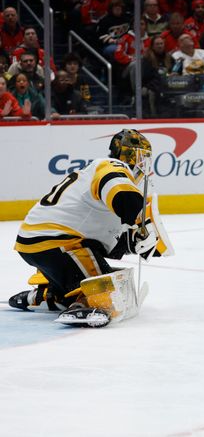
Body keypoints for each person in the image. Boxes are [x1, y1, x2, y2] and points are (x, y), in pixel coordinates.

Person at [7, 130, 158, 326]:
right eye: (141, 156)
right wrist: (137, 219)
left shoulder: (93, 175)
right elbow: (125, 199)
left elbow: (106, 244)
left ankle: (49, 295)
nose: (143, 163)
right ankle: (84, 302)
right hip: (58, 241)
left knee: (95, 267)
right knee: (106, 293)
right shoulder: (111, 166)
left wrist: (133, 242)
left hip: (40, 241)